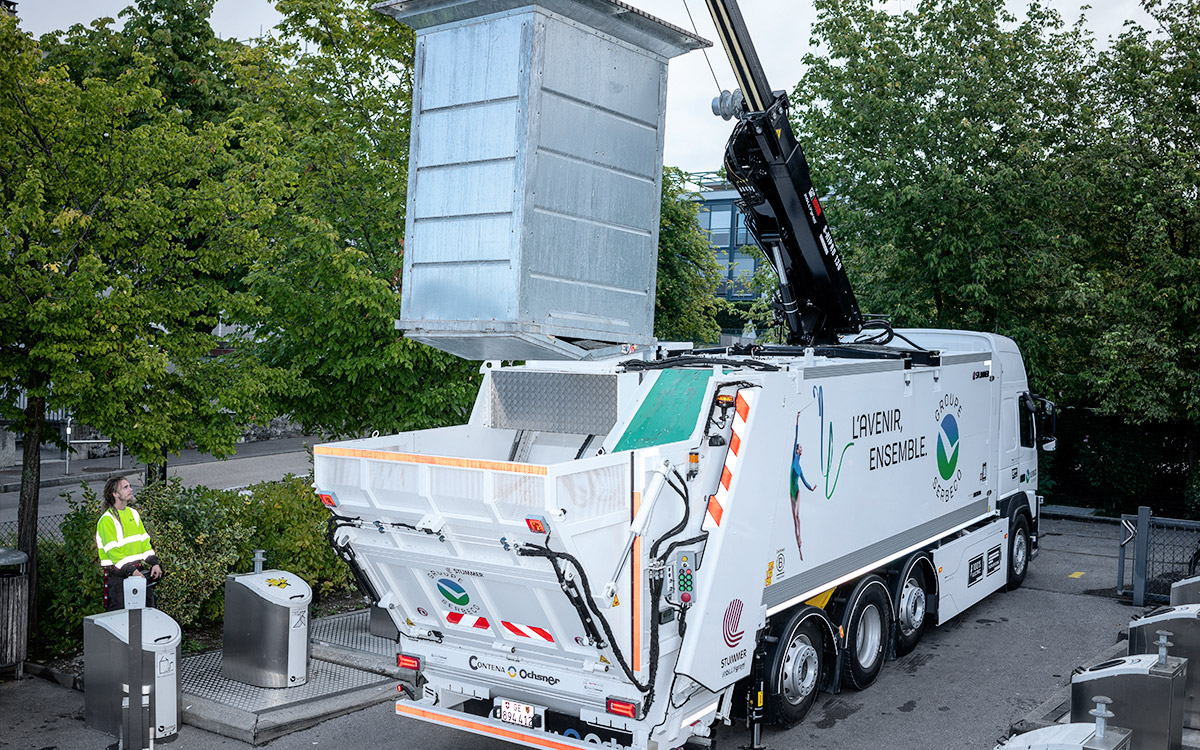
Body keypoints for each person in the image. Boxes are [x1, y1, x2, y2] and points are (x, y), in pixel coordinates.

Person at [95, 476, 162, 610]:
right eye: (125, 487)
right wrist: (133, 571)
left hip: (137, 572)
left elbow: (144, 542)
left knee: (147, 611)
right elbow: (114, 553)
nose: (130, 489)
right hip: (119, 576)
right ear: (115, 493)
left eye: (129, 486)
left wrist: (154, 563)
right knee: (120, 616)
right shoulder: (107, 520)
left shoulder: (133, 513)